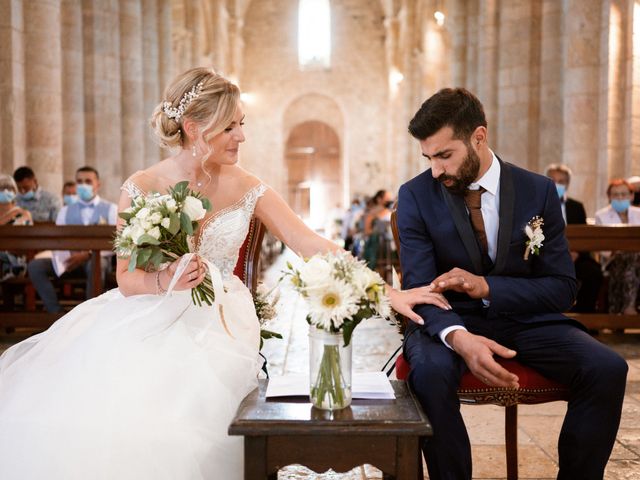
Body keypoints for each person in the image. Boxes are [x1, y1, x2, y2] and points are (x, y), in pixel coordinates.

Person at [0, 67, 446, 480]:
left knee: (190, 401)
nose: (242, 136)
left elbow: (311, 244)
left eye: (242, 123)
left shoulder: (248, 184)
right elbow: (126, 279)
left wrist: (387, 291)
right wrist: (167, 277)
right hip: (145, 316)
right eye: (231, 126)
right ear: (195, 128)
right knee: (116, 410)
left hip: (220, 320)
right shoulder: (142, 186)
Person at [398, 88, 628, 480]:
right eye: (428, 157)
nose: (435, 170)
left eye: (444, 155)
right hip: (447, 320)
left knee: (607, 368)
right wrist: (458, 337)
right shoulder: (416, 196)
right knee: (429, 374)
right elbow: (419, 291)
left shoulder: (537, 191)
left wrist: (488, 287)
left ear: (479, 137)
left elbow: (561, 287)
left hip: (525, 319)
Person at [26, 166, 117, 313]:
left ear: (97, 184)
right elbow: (58, 240)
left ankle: (91, 314)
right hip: (70, 261)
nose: (83, 185)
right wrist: (66, 256)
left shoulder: (111, 209)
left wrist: (88, 254)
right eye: (80, 181)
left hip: (97, 260)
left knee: (96, 264)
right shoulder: (65, 211)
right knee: (35, 266)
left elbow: (116, 242)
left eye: (88, 181)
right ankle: (56, 312)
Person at [545, 163, 603, 313]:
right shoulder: (538, 204)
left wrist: (576, 253)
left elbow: (584, 236)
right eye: (552, 180)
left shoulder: (576, 207)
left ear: (567, 184)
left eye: (561, 181)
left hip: (575, 256)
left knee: (593, 272)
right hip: (547, 256)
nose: (556, 184)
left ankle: (585, 317)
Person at [595, 178, 640, 315]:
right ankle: (628, 307)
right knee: (629, 258)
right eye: (615, 194)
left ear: (631, 196)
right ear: (609, 197)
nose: (620, 198)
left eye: (624, 194)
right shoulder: (601, 215)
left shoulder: (639, 213)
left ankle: (621, 308)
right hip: (613, 260)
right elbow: (600, 245)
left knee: (632, 259)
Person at [0, 174, 32, 281]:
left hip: (15, 258)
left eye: (9, 188)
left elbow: (27, 241)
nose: (5, 191)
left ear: (15, 192)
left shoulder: (23, 214)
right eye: (1, 188)